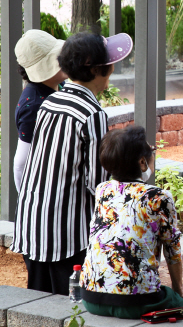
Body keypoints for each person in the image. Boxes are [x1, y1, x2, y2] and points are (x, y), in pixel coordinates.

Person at [12, 32, 133, 295]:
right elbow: (97, 185)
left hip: (32, 227)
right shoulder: (92, 114)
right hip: (65, 237)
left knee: (39, 306)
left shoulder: (50, 101)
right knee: (70, 308)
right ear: (99, 68)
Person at [80, 126, 183, 321]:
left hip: (91, 296)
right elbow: (172, 249)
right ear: (142, 163)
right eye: (151, 151)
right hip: (137, 300)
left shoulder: (102, 190)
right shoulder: (158, 196)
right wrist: (179, 291)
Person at [13, 30, 68, 192]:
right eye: (58, 59)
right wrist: (27, 200)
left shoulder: (59, 87)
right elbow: (20, 164)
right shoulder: (33, 106)